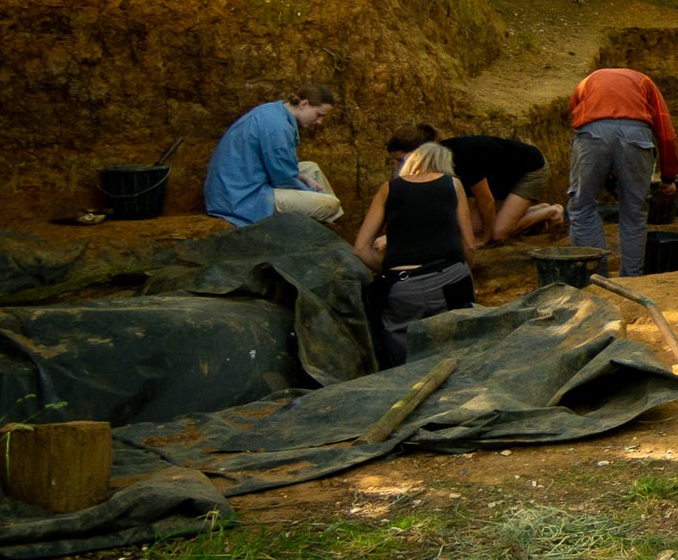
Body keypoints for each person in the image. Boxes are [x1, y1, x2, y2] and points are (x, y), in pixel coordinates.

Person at [353, 139, 479, 363]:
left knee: (404, 358)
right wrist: (466, 275)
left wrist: (392, 275)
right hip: (451, 278)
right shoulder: (453, 184)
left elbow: (361, 249)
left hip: (403, 288)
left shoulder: (389, 188)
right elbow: (469, 245)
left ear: (413, 162)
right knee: (460, 345)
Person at [567, 66, 678, 277]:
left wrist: (610, 185)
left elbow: (577, 119)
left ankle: (596, 278)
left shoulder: (585, 83)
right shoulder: (644, 82)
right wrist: (668, 177)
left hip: (591, 136)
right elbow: (666, 134)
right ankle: (632, 280)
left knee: (582, 207)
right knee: (634, 212)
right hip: (636, 138)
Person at [384, 125, 559, 243]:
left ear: (419, 153)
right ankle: (527, 210)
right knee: (473, 227)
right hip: (501, 179)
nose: (400, 167)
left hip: (529, 170)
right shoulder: (435, 164)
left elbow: (486, 201)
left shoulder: (459, 159)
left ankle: (550, 212)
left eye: (401, 161)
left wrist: (484, 237)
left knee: (498, 234)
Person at [202, 84, 342, 226]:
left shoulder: (276, 111)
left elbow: (279, 167)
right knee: (330, 203)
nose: (319, 122)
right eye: (319, 115)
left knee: (312, 169)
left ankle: (331, 221)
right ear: (304, 104)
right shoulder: (277, 127)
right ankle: (328, 220)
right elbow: (283, 179)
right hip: (240, 197)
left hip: (243, 181)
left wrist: (302, 178)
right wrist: (314, 193)